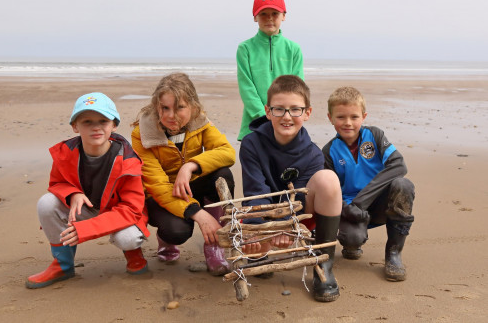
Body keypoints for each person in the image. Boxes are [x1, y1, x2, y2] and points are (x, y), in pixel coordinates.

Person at [26, 93, 150, 289]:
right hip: (86, 208)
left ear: (114, 125)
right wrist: (72, 193)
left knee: (128, 238)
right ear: (75, 126)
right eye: (87, 121)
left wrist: (85, 230)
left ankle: (134, 256)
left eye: (103, 120)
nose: (96, 127)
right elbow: (56, 183)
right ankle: (63, 265)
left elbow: (132, 209)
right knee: (46, 203)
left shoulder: (128, 161)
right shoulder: (65, 152)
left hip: (120, 213)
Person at [239, 75, 342, 302]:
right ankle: (263, 253)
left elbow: (303, 200)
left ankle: (323, 263)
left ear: (307, 113)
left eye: (295, 110)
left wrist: (288, 227)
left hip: (297, 215)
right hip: (262, 216)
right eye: (279, 109)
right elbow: (255, 192)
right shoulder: (251, 144)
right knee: (255, 252)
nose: (287, 117)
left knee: (328, 179)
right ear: (268, 111)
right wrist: (263, 230)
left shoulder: (313, 153)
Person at [131, 73, 236, 276]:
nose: (172, 115)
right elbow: (157, 186)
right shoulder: (142, 135)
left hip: (191, 183)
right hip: (162, 195)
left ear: (193, 107)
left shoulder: (201, 123)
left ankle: (214, 246)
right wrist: (198, 214)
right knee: (177, 231)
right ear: (156, 107)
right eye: (165, 108)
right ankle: (166, 241)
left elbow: (227, 152)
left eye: (180, 107)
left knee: (223, 175)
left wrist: (189, 167)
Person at [322, 86, 415, 281]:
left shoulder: (375, 136)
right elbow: (332, 192)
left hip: (378, 205)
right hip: (351, 211)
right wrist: (350, 209)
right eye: (341, 117)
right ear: (330, 118)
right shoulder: (329, 151)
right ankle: (352, 244)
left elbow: (398, 165)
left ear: (363, 116)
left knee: (403, 185)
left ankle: (394, 254)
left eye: (354, 117)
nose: (348, 123)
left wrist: (362, 201)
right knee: (353, 238)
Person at [236, 0, 304, 141]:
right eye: (263, 14)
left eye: (275, 13)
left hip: (286, 121)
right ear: (255, 17)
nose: (269, 18)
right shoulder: (245, 48)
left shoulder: (293, 49)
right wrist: (264, 117)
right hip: (254, 124)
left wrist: (283, 115)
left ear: (284, 16)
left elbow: (298, 88)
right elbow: (246, 87)